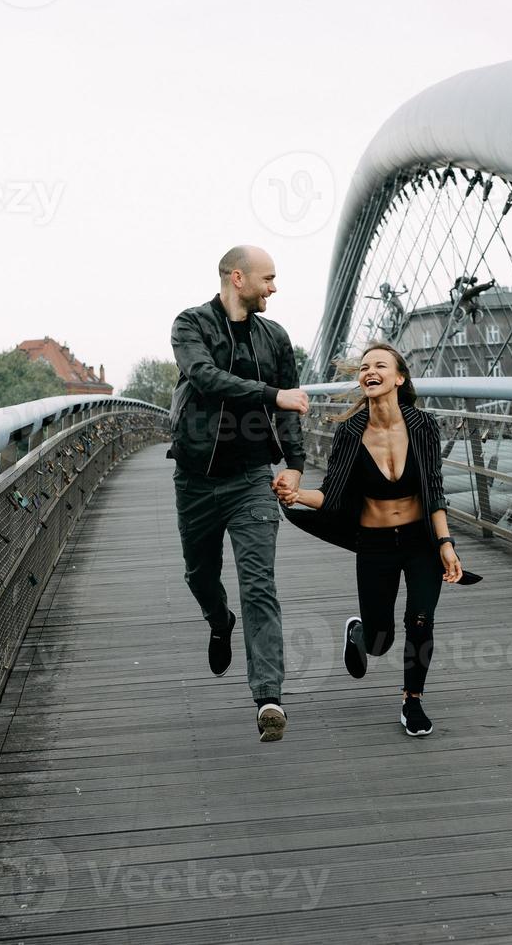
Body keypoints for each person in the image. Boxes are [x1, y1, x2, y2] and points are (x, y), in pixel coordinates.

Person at [275, 343, 464, 737]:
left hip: (420, 541)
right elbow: (333, 494)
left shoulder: (423, 425)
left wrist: (445, 543)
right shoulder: (350, 432)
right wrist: (296, 495)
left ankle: (412, 701)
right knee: (380, 641)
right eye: (363, 367)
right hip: (375, 543)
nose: (369, 371)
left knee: (421, 620)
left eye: (380, 365)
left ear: (399, 378)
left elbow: (433, 490)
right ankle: (360, 632)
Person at [168, 245, 310, 742]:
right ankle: (218, 619)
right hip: (196, 479)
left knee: (259, 584)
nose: (274, 287)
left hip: (252, 477)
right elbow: (204, 378)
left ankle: (268, 697)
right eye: (268, 278)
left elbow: (291, 410)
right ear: (238, 277)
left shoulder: (275, 338)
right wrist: (272, 395)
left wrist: (294, 465)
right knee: (200, 575)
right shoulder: (191, 325)